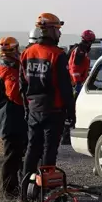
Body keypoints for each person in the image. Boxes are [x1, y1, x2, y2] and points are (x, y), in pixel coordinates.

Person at [19, 13, 76, 175]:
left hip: (34, 110)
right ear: (49, 30)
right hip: (53, 111)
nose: (60, 33)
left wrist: (27, 108)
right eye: (58, 29)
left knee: (32, 149)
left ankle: (27, 188)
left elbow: (22, 85)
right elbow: (65, 88)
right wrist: (71, 112)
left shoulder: (27, 53)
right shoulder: (57, 55)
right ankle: (46, 189)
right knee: (49, 151)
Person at [0, 37, 28, 199]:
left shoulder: (0, 67)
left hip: (7, 117)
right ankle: (8, 191)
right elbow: (15, 95)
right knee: (12, 157)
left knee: (14, 155)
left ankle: (14, 188)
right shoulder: (9, 70)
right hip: (12, 118)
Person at [68, 30, 97, 96]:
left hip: (77, 82)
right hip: (75, 83)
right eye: (91, 42)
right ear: (89, 41)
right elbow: (74, 67)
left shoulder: (81, 50)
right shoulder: (80, 50)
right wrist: (77, 83)